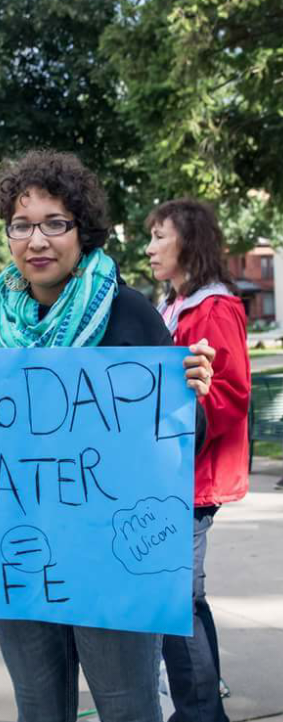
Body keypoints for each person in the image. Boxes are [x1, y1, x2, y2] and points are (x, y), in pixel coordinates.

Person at [0, 151, 215, 722]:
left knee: (128, 708)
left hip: (108, 559)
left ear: (82, 230)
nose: (38, 240)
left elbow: (178, 443)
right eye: (22, 225)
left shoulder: (129, 314)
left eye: (55, 223)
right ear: (8, 233)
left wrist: (190, 393)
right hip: (17, 557)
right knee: (37, 707)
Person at [146, 199, 251, 722]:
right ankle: (202, 711)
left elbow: (229, 395)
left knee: (175, 603)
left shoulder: (215, 309)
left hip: (192, 480)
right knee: (182, 600)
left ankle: (199, 714)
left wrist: (175, 437)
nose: (148, 247)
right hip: (172, 478)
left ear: (188, 241)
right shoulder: (173, 308)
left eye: (158, 236)